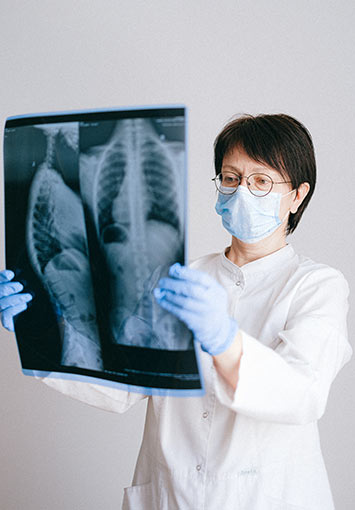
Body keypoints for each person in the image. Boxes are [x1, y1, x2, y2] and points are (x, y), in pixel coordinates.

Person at [0, 113, 352, 510]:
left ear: (298, 195)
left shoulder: (318, 286)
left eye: (261, 181)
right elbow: (123, 385)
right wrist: (40, 333)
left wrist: (225, 341)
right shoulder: (177, 277)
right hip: (171, 498)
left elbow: (302, 394)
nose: (241, 192)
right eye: (231, 178)